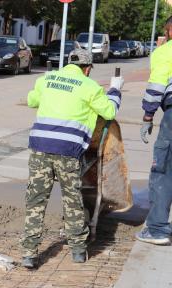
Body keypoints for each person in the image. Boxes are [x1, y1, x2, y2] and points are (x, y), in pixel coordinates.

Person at [21, 49, 124, 269]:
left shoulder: (46, 79)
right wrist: (115, 89)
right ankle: (78, 250)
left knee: (36, 200)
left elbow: (32, 101)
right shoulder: (90, 87)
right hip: (68, 150)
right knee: (72, 200)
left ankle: (29, 254)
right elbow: (109, 111)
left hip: (40, 147)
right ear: (87, 69)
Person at [136, 16, 172, 246]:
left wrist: (148, 116)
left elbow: (156, 86)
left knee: (163, 169)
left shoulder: (165, 52)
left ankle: (157, 229)